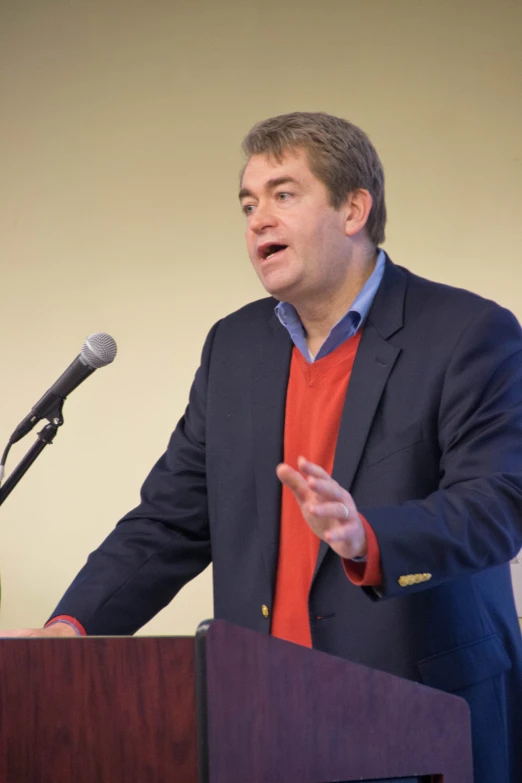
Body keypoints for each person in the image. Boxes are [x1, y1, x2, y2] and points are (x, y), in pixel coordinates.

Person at [4, 112, 522, 782]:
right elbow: (169, 520)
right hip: (261, 723)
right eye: (248, 203)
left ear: (353, 209)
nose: (256, 219)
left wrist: (369, 535)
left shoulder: (467, 332)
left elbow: (497, 503)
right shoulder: (236, 347)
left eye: (283, 194)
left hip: (421, 723)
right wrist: (69, 632)